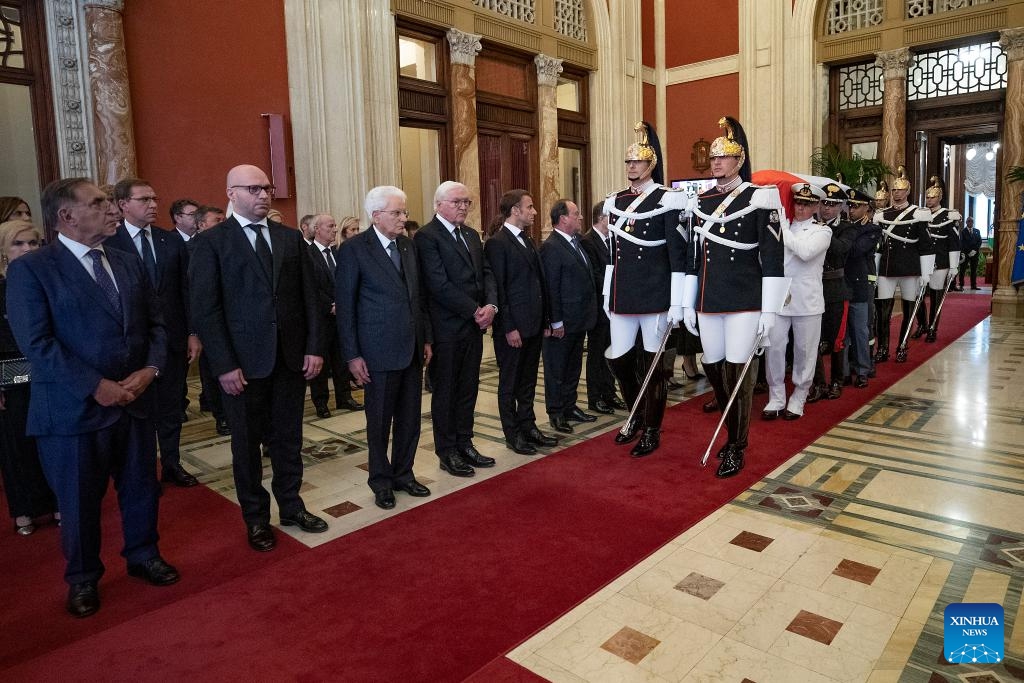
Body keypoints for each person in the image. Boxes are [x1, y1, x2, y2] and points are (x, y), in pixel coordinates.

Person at [7, 178, 178, 617]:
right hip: (72, 409)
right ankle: (82, 577)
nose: (111, 208)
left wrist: (151, 369)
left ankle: (143, 555)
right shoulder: (33, 269)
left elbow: (157, 325)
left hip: (135, 400)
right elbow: (37, 343)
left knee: (141, 487)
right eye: (99, 202)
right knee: (79, 501)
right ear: (67, 216)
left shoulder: (125, 261)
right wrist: (95, 386)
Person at [189, 164, 327, 552]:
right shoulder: (212, 242)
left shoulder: (288, 238)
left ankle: (292, 505)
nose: (264, 195)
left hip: (288, 359)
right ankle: (255, 518)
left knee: (289, 439)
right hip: (241, 366)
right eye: (254, 189)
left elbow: (310, 299)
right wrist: (223, 364)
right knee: (246, 445)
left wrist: (314, 347)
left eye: (267, 188)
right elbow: (207, 309)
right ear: (231, 193)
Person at [680, 116, 786, 478]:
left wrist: (769, 310)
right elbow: (694, 257)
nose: (717, 164)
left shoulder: (759, 198)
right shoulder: (701, 201)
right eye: (713, 159)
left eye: (723, 158)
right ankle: (731, 430)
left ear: (739, 160)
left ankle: (737, 445)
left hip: (744, 299)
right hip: (709, 300)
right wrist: (688, 301)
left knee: (739, 371)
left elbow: (772, 258)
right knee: (714, 367)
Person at [336, 186, 432, 510]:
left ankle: (404, 473)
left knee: (410, 419)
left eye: (404, 212)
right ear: (376, 216)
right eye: (397, 213)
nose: (404, 218)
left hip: (411, 348)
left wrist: (426, 338)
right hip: (376, 352)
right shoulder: (353, 250)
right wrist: (352, 354)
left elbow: (418, 298)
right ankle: (381, 481)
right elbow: (346, 308)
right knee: (379, 422)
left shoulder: (407, 246)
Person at [106, 178, 201, 488]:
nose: (153, 205)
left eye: (155, 198)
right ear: (123, 205)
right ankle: (142, 471)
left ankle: (172, 463)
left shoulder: (169, 241)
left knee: (172, 406)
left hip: (173, 338)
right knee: (139, 410)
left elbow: (185, 290)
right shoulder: (109, 242)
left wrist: (192, 331)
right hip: (130, 342)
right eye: (144, 199)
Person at [602, 121, 686, 458]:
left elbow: (676, 255)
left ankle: (652, 428)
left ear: (650, 165)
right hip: (623, 293)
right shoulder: (616, 200)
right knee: (619, 358)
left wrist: (677, 303)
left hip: (654, 295)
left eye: (637, 162)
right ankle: (636, 412)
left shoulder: (667, 199)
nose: (632, 167)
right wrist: (608, 293)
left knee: (655, 367)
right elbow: (612, 253)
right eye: (628, 162)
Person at [414, 181, 497, 478]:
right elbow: (437, 284)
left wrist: (491, 307)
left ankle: (465, 442)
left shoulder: (472, 235)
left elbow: (486, 273)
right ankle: (447, 451)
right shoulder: (427, 237)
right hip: (446, 329)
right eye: (456, 202)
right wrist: (474, 310)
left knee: (468, 389)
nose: (463, 207)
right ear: (438, 204)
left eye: (467, 202)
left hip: (473, 328)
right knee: (446, 392)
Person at [484, 189, 557, 456]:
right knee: (510, 383)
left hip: (534, 324)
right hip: (513, 328)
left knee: (527, 382)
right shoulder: (497, 242)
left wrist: (546, 318)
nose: (534, 212)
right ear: (515, 210)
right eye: (530, 207)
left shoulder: (527, 239)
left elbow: (538, 284)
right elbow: (499, 288)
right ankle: (512, 434)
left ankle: (529, 427)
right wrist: (508, 326)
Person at [0, 219, 58, 536]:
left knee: (52, 441)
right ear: (3, 251)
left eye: (33, 243)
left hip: (48, 372)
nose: (27, 249)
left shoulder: (47, 280)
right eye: (18, 244)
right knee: (16, 446)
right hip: (8, 381)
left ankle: (59, 502)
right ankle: (24, 510)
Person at [762, 184, 831, 421]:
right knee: (775, 349)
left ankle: (799, 396)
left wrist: (782, 227)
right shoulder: (785, 227)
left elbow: (804, 251)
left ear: (815, 206)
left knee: (804, 351)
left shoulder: (821, 231)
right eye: (798, 203)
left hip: (807, 299)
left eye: (806, 204)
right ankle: (777, 395)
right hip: (780, 297)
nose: (800, 208)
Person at [540, 199, 599, 434]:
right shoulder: (551, 247)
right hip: (562, 322)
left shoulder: (577, 243)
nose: (580, 217)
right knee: (557, 369)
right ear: (563, 218)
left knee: (573, 366)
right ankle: (556, 412)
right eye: (576, 213)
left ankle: (570, 405)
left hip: (579, 319)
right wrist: (555, 321)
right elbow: (551, 287)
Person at [873, 166, 934, 364]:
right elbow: (878, 247)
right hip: (888, 266)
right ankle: (882, 348)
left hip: (910, 267)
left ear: (908, 191)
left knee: (909, 308)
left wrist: (926, 273)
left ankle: (902, 346)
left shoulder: (919, 213)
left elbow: (926, 246)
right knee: (883, 311)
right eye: (894, 190)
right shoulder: (882, 215)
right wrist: (874, 270)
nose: (896, 193)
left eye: (900, 190)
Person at [307, 213, 362, 417]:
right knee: (321, 361)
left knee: (341, 358)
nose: (335, 229)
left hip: (342, 315)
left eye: (335, 225)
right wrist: (329, 305)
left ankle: (344, 397)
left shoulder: (340, 253)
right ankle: (321, 402)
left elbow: (347, 280)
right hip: (321, 318)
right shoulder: (307, 253)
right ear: (317, 229)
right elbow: (310, 286)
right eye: (330, 226)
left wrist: (343, 303)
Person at [808, 182, 856, 402]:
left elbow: (841, 249)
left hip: (836, 289)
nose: (827, 209)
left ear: (840, 207)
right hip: (813, 287)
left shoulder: (847, 227)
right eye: (824, 203)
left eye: (832, 204)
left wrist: (823, 230)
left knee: (837, 340)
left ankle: (837, 380)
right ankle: (818, 383)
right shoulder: (811, 225)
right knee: (812, 338)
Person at [579, 202, 627, 414]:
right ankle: (595, 397)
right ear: (603, 217)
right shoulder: (588, 241)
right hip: (598, 307)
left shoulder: (611, 240)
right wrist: (615, 286)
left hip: (613, 306)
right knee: (597, 354)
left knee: (611, 351)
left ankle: (609, 393)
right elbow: (595, 274)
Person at [842, 189, 880, 388]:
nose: (851, 209)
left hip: (859, 285)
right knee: (844, 333)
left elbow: (855, 250)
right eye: (849, 205)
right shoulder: (845, 226)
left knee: (860, 330)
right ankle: (845, 371)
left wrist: (848, 235)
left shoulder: (872, 229)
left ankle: (863, 369)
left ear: (866, 208)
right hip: (842, 283)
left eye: (856, 206)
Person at [921, 177, 961, 341]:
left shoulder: (948, 215)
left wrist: (953, 266)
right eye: (928, 197)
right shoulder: (921, 214)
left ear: (939, 198)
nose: (929, 200)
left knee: (936, 296)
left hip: (940, 260)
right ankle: (922, 324)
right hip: (923, 260)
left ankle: (932, 329)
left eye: (932, 197)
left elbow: (954, 242)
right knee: (918, 295)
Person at [957, 216, 982, 291]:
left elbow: (979, 241)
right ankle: (961, 285)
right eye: (969, 221)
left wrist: (974, 250)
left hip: (975, 254)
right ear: (966, 222)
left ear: (973, 222)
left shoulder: (977, 231)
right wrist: (969, 251)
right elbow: (962, 243)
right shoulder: (963, 231)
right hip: (965, 254)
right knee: (962, 270)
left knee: (974, 270)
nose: (970, 222)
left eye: (971, 221)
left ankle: (973, 285)